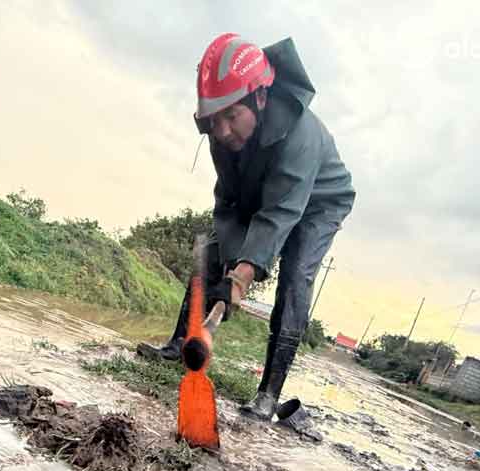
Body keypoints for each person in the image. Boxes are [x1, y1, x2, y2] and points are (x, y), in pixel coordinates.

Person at [137, 33, 356, 421]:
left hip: (318, 203)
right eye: (214, 119)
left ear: (260, 97)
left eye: (231, 116)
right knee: (211, 249)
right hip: (264, 190)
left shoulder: (301, 136)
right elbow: (229, 202)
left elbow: (280, 213)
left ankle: (268, 394)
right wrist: (227, 266)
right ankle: (178, 345)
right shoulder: (221, 135)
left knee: (295, 276)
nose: (221, 130)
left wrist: (240, 278)